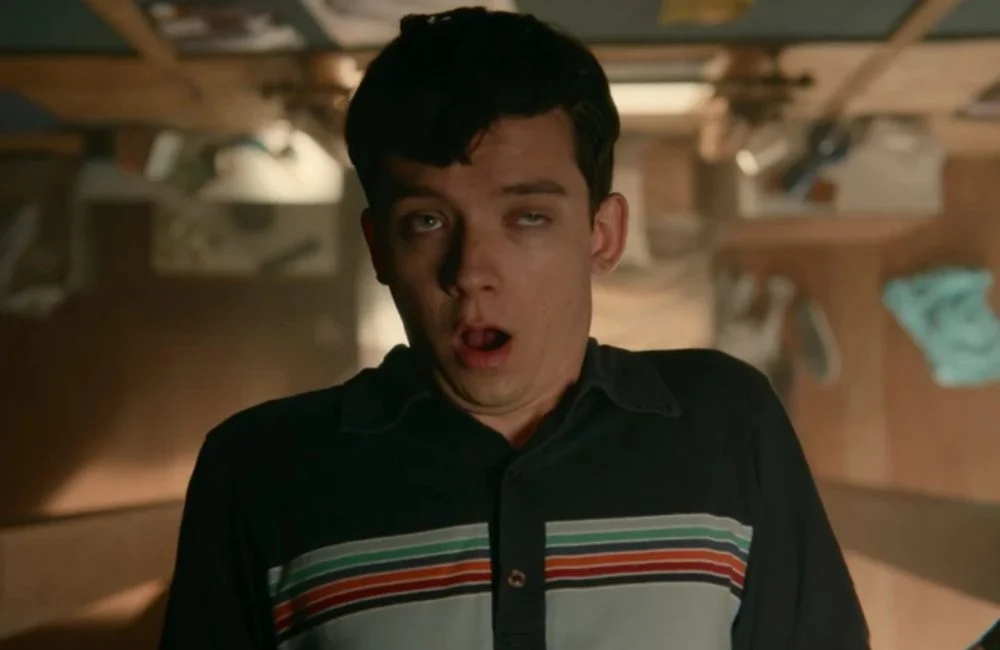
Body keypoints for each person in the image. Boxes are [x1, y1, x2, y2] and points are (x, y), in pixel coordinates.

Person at [158, 7, 869, 650]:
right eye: (427, 221)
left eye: (529, 217)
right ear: (380, 248)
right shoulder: (260, 470)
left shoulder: (727, 424)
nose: (472, 270)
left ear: (601, 235)